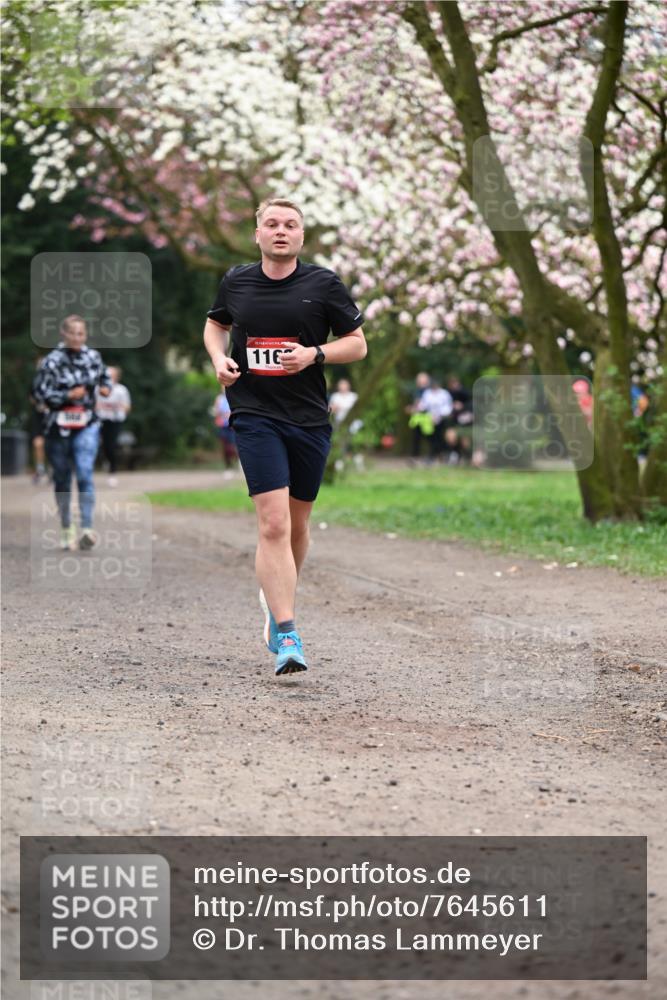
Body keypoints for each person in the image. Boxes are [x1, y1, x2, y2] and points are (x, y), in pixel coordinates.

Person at [203, 197, 367, 676]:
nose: (280, 231)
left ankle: (277, 600)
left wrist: (313, 355)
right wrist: (219, 360)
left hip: (308, 418)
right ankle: (287, 631)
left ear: (300, 236)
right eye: (271, 224)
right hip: (254, 413)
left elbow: (357, 345)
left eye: (290, 225)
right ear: (257, 234)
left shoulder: (323, 284)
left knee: (296, 526)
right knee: (272, 524)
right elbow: (216, 328)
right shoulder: (237, 281)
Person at [32, 315, 112, 550]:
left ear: (85, 335)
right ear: (64, 334)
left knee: (85, 472)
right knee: (62, 478)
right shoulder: (51, 361)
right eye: (73, 333)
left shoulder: (92, 356)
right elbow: (39, 394)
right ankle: (67, 527)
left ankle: (87, 529)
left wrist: (106, 387)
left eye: (81, 333)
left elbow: (105, 378)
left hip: (86, 423)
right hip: (57, 425)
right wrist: (67, 396)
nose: (77, 338)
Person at [95, 366, 131, 486]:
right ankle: (105, 461)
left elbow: (127, 407)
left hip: (114, 421)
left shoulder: (121, 390)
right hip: (100, 420)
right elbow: (92, 404)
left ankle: (112, 471)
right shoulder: (97, 389)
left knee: (111, 446)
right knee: (98, 445)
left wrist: (118, 408)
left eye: (112, 374)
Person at [417, 377, 453, 463]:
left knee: (440, 437)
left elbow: (448, 407)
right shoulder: (427, 393)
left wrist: (439, 415)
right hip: (429, 418)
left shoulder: (444, 393)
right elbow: (423, 405)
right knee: (430, 437)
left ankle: (441, 454)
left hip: (442, 418)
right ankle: (433, 455)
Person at [444, 375, 473, 464]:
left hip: (468, 427)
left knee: (465, 439)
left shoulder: (468, 399)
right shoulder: (448, 397)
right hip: (456, 426)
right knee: (450, 435)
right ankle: (454, 455)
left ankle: (468, 457)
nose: (454, 387)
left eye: (456, 384)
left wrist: (463, 407)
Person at [28, 356, 48, 484]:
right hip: (39, 416)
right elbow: (31, 397)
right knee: (38, 443)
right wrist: (39, 404)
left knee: (53, 445)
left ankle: (54, 470)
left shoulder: (56, 380)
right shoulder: (35, 382)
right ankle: (40, 469)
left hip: (53, 416)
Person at [213, 387, 238, 473]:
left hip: (233, 426)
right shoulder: (219, 399)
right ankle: (228, 467)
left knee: (233, 447)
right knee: (225, 448)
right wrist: (221, 413)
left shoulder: (234, 396)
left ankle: (239, 461)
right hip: (223, 426)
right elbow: (216, 411)